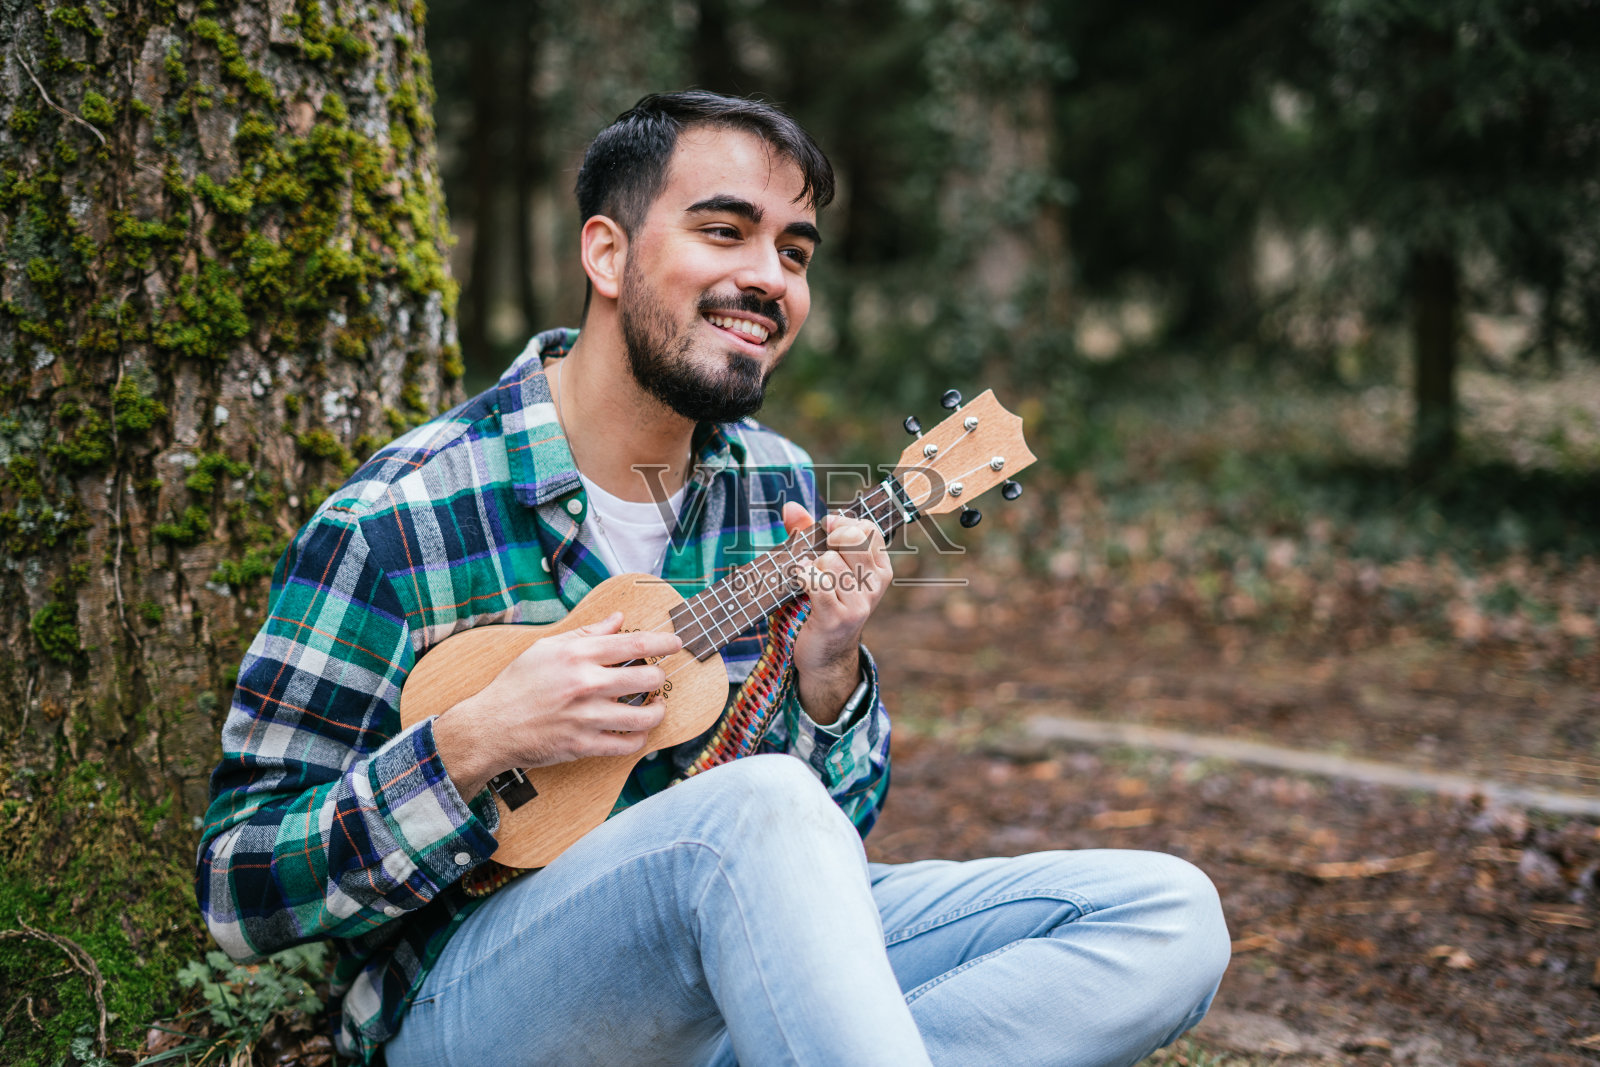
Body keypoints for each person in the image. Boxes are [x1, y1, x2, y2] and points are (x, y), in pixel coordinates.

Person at [196, 91, 1229, 1066]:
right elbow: (239, 888)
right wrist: (477, 740)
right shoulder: (404, 516)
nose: (772, 277)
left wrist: (827, 675)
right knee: (758, 804)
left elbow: (818, 844)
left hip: (727, 988)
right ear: (606, 252)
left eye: (794, 250)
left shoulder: (774, 487)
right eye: (724, 231)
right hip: (478, 997)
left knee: (1163, 913)